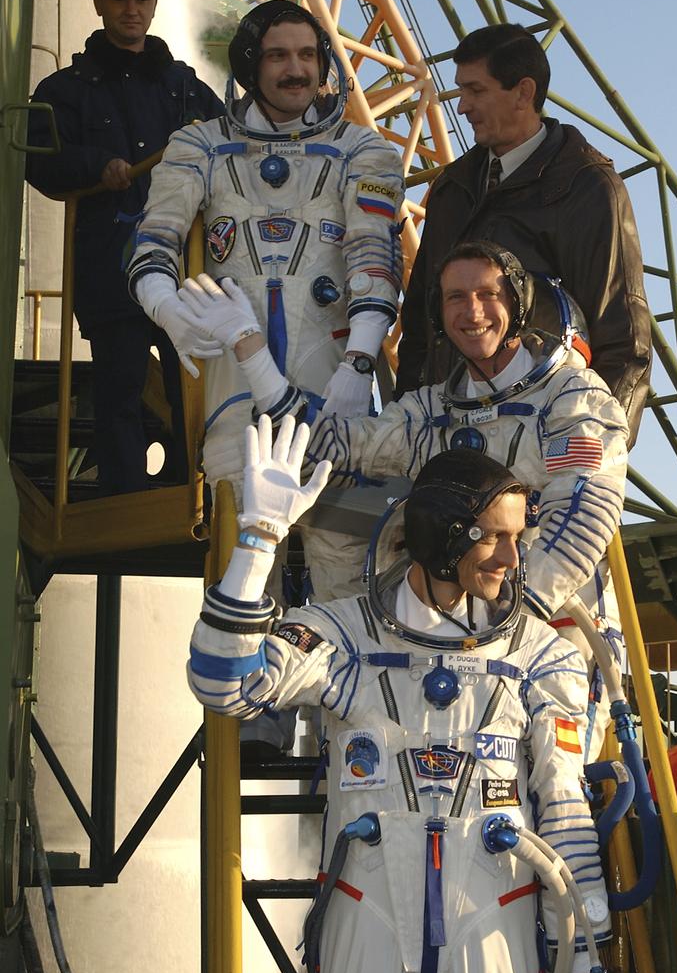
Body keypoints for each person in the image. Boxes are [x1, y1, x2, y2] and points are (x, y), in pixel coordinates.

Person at [188, 415, 609, 973]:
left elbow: (565, 808)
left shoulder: (541, 656)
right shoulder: (345, 637)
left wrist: (587, 962)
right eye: (495, 537)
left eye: (519, 537)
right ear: (443, 536)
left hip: (494, 924)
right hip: (368, 919)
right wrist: (257, 543)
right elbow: (223, 685)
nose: (515, 559)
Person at [177, 242, 628, 755]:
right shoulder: (431, 410)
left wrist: (509, 614)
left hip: (549, 626)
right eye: (455, 297)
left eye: (488, 294)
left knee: (552, 789)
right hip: (447, 629)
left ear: (519, 304)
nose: (472, 311)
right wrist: (250, 347)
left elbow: (583, 517)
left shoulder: (572, 398)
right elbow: (330, 444)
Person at [127, 0, 404, 598]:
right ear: (250, 65)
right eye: (278, 56)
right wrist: (166, 308)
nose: (295, 69)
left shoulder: (364, 150)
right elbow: (156, 237)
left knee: (350, 580)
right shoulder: (197, 145)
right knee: (244, 574)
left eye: (307, 55)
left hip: (337, 395)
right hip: (235, 400)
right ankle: (244, 693)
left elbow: (373, 252)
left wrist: (360, 363)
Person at [395, 22, 652, 442]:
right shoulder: (451, 189)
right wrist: (408, 429)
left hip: (536, 449)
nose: (462, 107)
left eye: (476, 91)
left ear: (523, 92)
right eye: (461, 91)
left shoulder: (586, 187)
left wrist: (597, 451)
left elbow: (624, 342)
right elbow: (422, 327)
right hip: (445, 440)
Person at [25, 0, 223, 494]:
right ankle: (126, 498)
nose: (131, 9)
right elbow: (38, 161)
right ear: (98, 6)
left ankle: (191, 491)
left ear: (155, 6)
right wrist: (96, 166)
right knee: (120, 386)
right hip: (110, 265)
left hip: (182, 268)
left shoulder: (184, 87)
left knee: (192, 388)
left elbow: (231, 149)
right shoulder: (65, 90)